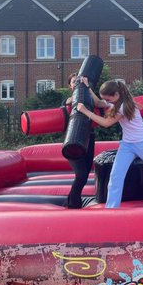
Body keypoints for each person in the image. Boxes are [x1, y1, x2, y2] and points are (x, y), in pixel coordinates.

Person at [73, 78, 143, 208]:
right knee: (116, 176)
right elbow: (99, 103)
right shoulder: (116, 101)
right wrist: (87, 87)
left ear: (116, 95)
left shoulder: (124, 106)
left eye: (109, 99)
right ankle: (111, 209)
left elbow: (106, 123)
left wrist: (85, 111)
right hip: (127, 145)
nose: (107, 101)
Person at [62, 74, 110, 208]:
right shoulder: (70, 100)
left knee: (86, 172)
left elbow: (100, 103)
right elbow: (69, 103)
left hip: (88, 138)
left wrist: (87, 87)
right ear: (70, 86)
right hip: (73, 142)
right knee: (81, 174)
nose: (77, 82)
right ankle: (72, 203)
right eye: (73, 81)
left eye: (78, 80)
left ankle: (71, 201)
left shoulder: (88, 97)